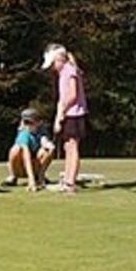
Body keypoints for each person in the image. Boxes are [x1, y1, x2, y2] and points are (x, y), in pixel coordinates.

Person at [41, 42, 87, 192]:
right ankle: (67, 179)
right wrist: (58, 117)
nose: (52, 68)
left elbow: (72, 95)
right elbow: (62, 98)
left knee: (72, 147)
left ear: (59, 59)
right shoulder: (63, 73)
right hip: (68, 113)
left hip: (74, 114)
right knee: (68, 147)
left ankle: (70, 183)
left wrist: (62, 111)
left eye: (53, 63)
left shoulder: (69, 70)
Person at [3, 108, 55, 190]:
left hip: (35, 165)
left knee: (46, 151)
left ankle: (40, 177)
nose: (27, 125)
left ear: (39, 123)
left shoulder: (42, 132)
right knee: (15, 150)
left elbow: (45, 142)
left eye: (30, 122)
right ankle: (13, 176)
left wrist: (50, 148)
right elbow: (26, 155)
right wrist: (31, 180)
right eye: (25, 122)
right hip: (20, 167)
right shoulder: (23, 134)